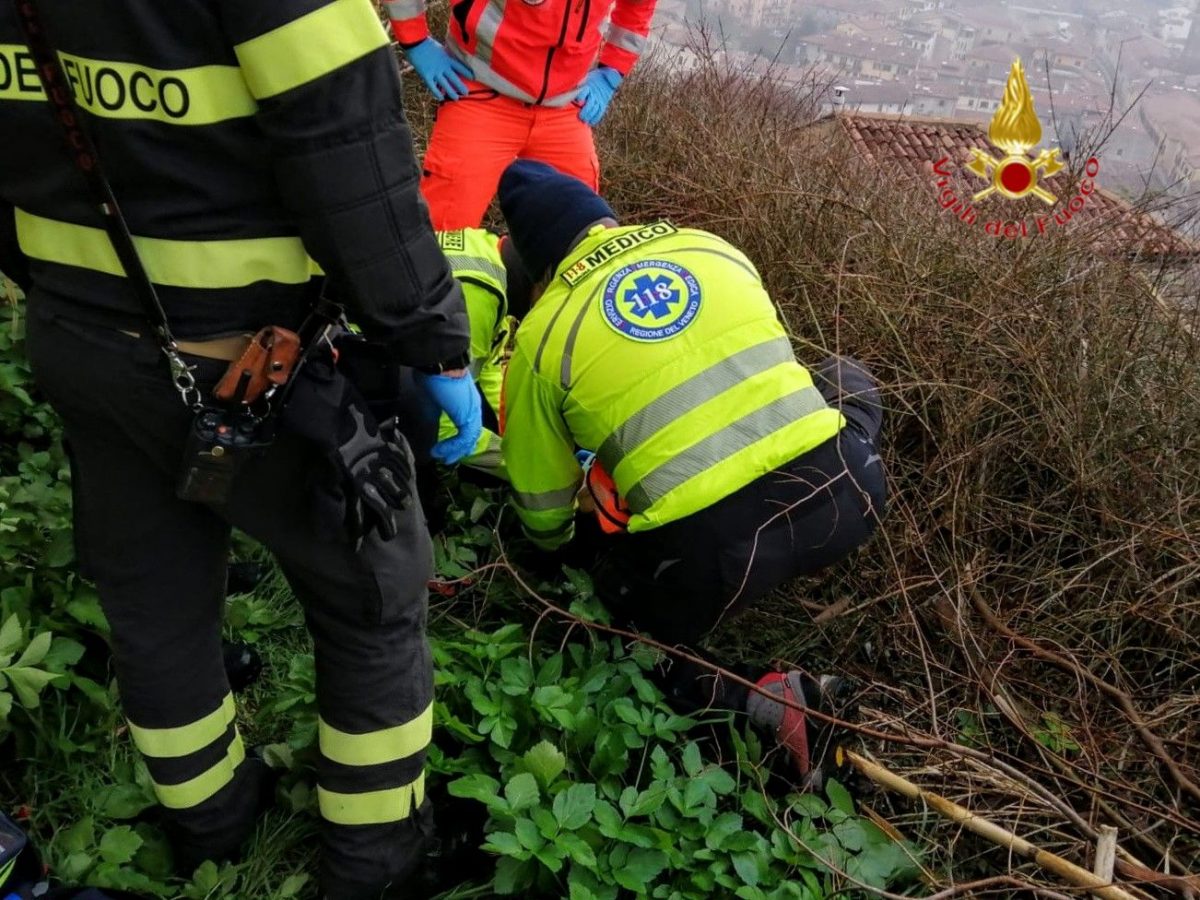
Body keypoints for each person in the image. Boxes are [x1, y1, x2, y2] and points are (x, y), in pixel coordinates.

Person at [0, 2, 482, 897]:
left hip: (76, 339)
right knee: (372, 594)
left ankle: (214, 826)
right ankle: (376, 861)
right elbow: (353, 162)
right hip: (250, 362)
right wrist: (431, 341)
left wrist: (69, 298)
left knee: (153, 603)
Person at [496, 160, 886, 783]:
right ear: (602, 219)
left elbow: (542, 511)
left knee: (622, 639)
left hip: (717, 559)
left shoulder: (543, 337)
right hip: (848, 492)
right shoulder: (711, 248)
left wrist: (569, 558)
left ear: (540, 267)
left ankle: (763, 702)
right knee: (845, 376)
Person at [384, 0, 658, 230]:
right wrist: (415, 40)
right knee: (444, 229)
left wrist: (612, 70)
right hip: (481, 88)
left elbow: (638, 6)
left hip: (564, 103)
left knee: (584, 234)